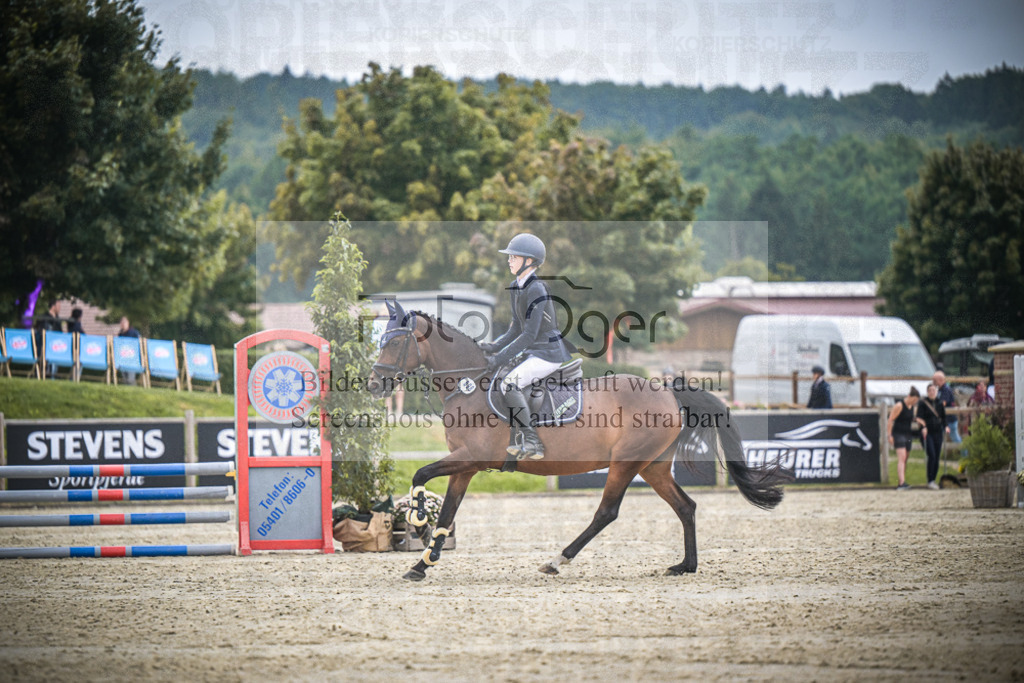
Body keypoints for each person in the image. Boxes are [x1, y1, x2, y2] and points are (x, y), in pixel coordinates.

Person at [481, 234, 575, 461]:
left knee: (510, 384)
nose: (509, 261)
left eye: (514, 257)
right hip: (535, 350)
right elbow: (515, 329)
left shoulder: (537, 289)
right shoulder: (516, 286)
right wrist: (493, 347)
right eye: (510, 257)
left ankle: (533, 441)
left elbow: (529, 334)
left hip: (548, 352)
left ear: (529, 261)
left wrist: (500, 358)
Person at [888, 386, 925, 490]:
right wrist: (889, 435)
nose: (914, 402)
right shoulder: (899, 405)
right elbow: (890, 420)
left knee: (906, 457)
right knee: (902, 457)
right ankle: (901, 482)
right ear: (909, 396)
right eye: (914, 400)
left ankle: (902, 480)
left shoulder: (911, 407)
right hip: (898, 433)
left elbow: (907, 418)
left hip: (908, 434)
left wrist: (917, 420)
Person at [917, 384, 948, 490]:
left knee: (937, 457)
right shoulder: (923, 403)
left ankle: (933, 479)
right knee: (932, 455)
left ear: (936, 391)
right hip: (927, 433)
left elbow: (943, 418)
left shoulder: (940, 403)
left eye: (934, 390)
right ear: (927, 391)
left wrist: (946, 426)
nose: (932, 392)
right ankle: (930, 480)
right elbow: (918, 418)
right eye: (930, 390)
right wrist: (923, 427)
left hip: (938, 432)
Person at [933, 371, 960, 451]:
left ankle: (965, 455)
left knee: (955, 439)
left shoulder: (946, 390)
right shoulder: (940, 389)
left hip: (949, 420)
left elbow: (943, 403)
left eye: (935, 380)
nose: (933, 382)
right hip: (943, 419)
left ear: (940, 380)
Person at [117, 316, 141, 385]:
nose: (123, 324)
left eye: (124, 322)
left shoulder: (134, 332)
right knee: (125, 378)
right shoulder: (120, 334)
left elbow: (140, 342)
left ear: (128, 323)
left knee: (130, 379)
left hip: (132, 359)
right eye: (122, 322)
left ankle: (134, 391)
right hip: (123, 358)